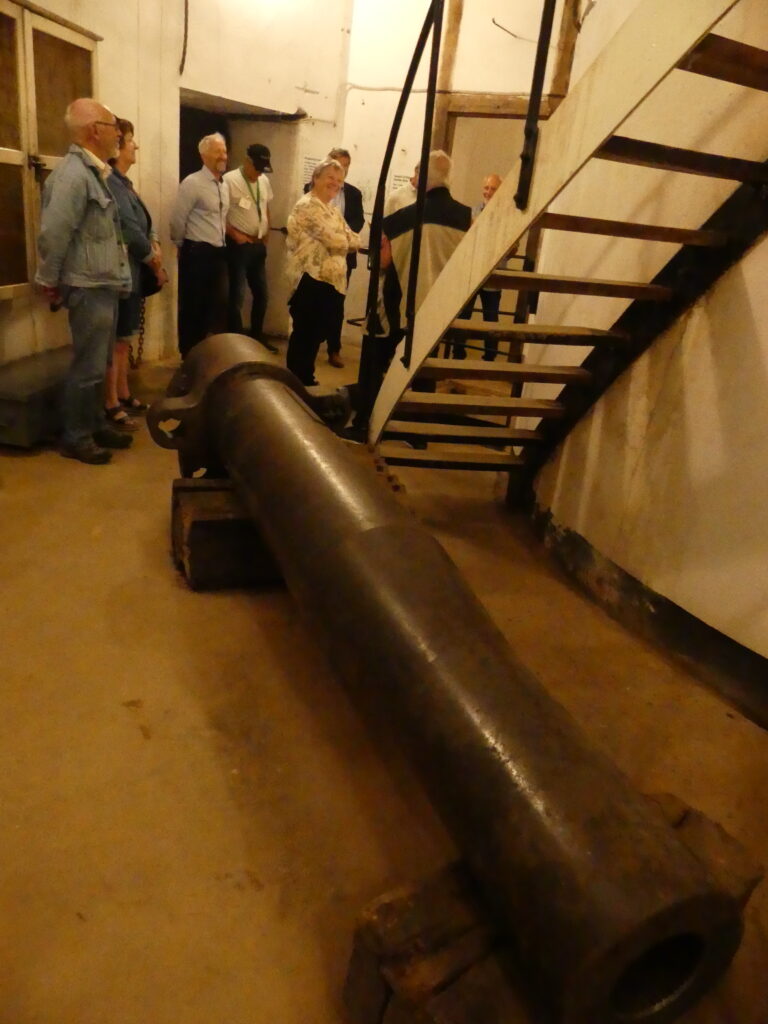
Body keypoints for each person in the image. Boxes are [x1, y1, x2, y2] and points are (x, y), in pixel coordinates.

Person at [35, 98, 133, 464]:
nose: (118, 135)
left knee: (99, 362)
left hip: (103, 283)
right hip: (87, 285)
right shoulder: (73, 176)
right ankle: (75, 436)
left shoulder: (94, 173)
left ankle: (93, 424)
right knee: (88, 366)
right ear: (95, 131)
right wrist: (49, 280)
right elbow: (54, 233)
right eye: (113, 127)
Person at [105, 117, 167, 429]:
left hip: (132, 270)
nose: (136, 146)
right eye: (131, 140)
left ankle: (123, 392)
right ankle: (111, 401)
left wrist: (154, 243)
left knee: (124, 338)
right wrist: (153, 260)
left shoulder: (124, 184)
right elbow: (129, 229)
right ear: (117, 146)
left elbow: (145, 222)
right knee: (117, 341)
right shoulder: (112, 184)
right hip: (121, 271)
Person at [286, 158, 360, 386]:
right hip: (310, 279)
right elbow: (334, 239)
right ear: (316, 178)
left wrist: (344, 239)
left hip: (330, 282)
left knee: (316, 333)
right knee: (305, 333)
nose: (335, 183)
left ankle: (305, 377)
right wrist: (344, 240)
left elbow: (355, 238)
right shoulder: (307, 205)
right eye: (330, 177)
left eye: (339, 180)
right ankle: (296, 380)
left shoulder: (332, 210)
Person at [383, 149, 471, 327]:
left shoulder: (401, 219)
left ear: (423, 176)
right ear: (449, 177)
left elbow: (384, 262)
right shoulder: (468, 218)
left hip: (408, 307)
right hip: (448, 307)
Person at [303, 147, 364, 368]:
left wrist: (343, 237)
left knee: (336, 305)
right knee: (313, 306)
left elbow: (357, 222)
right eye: (337, 166)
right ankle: (308, 353)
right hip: (317, 260)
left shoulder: (354, 194)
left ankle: (334, 349)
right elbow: (318, 228)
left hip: (342, 260)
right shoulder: (311, 193)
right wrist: (340, 237)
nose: (341, 171)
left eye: (345, 167)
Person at [170, 132, 229, 357]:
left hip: (218, 252)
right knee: (193, 307)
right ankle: (188, 355)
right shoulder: (192, 183)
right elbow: (178, 219)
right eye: (217, 151)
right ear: (204, 155)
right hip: (197, 252)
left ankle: (204, 355)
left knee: (212, 307)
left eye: (224, 151)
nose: (223, 156)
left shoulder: (223, 185)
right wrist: (180, 245)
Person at [223, 142, 277, 354]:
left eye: (263, 169)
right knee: (236, 295)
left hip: (258, 244)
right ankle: (236, 343)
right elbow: (220, 213)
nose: (259, 173)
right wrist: (234, 234)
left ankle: (257, 337)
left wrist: (266, 233)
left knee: (262, 294)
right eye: (257, 168)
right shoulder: (229, 181)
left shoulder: (263, 181)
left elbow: (265, 207)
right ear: (247, 161)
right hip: (239, 246)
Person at [454, 173, 504, 361]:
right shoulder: (472, 212)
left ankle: (490, 358)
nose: (488, 192)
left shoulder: (505, 214)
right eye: (486, 187)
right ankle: (458, 353)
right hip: (472, 271)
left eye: (493, 189)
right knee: (463, 315)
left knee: (491, 317)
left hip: (493, 273)